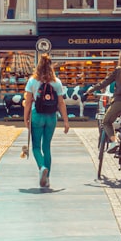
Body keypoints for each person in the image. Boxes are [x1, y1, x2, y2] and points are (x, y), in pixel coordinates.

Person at [22, 53, 70, 188]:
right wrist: (66, 121)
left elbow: (28, 102)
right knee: (46, 147)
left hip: (37, 115)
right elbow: (61, 103)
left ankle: (42, 167)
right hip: (51, 117)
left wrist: (25, 118)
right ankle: (47, 178)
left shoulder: (32, 81)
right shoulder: (57, 82)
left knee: (36, 147)